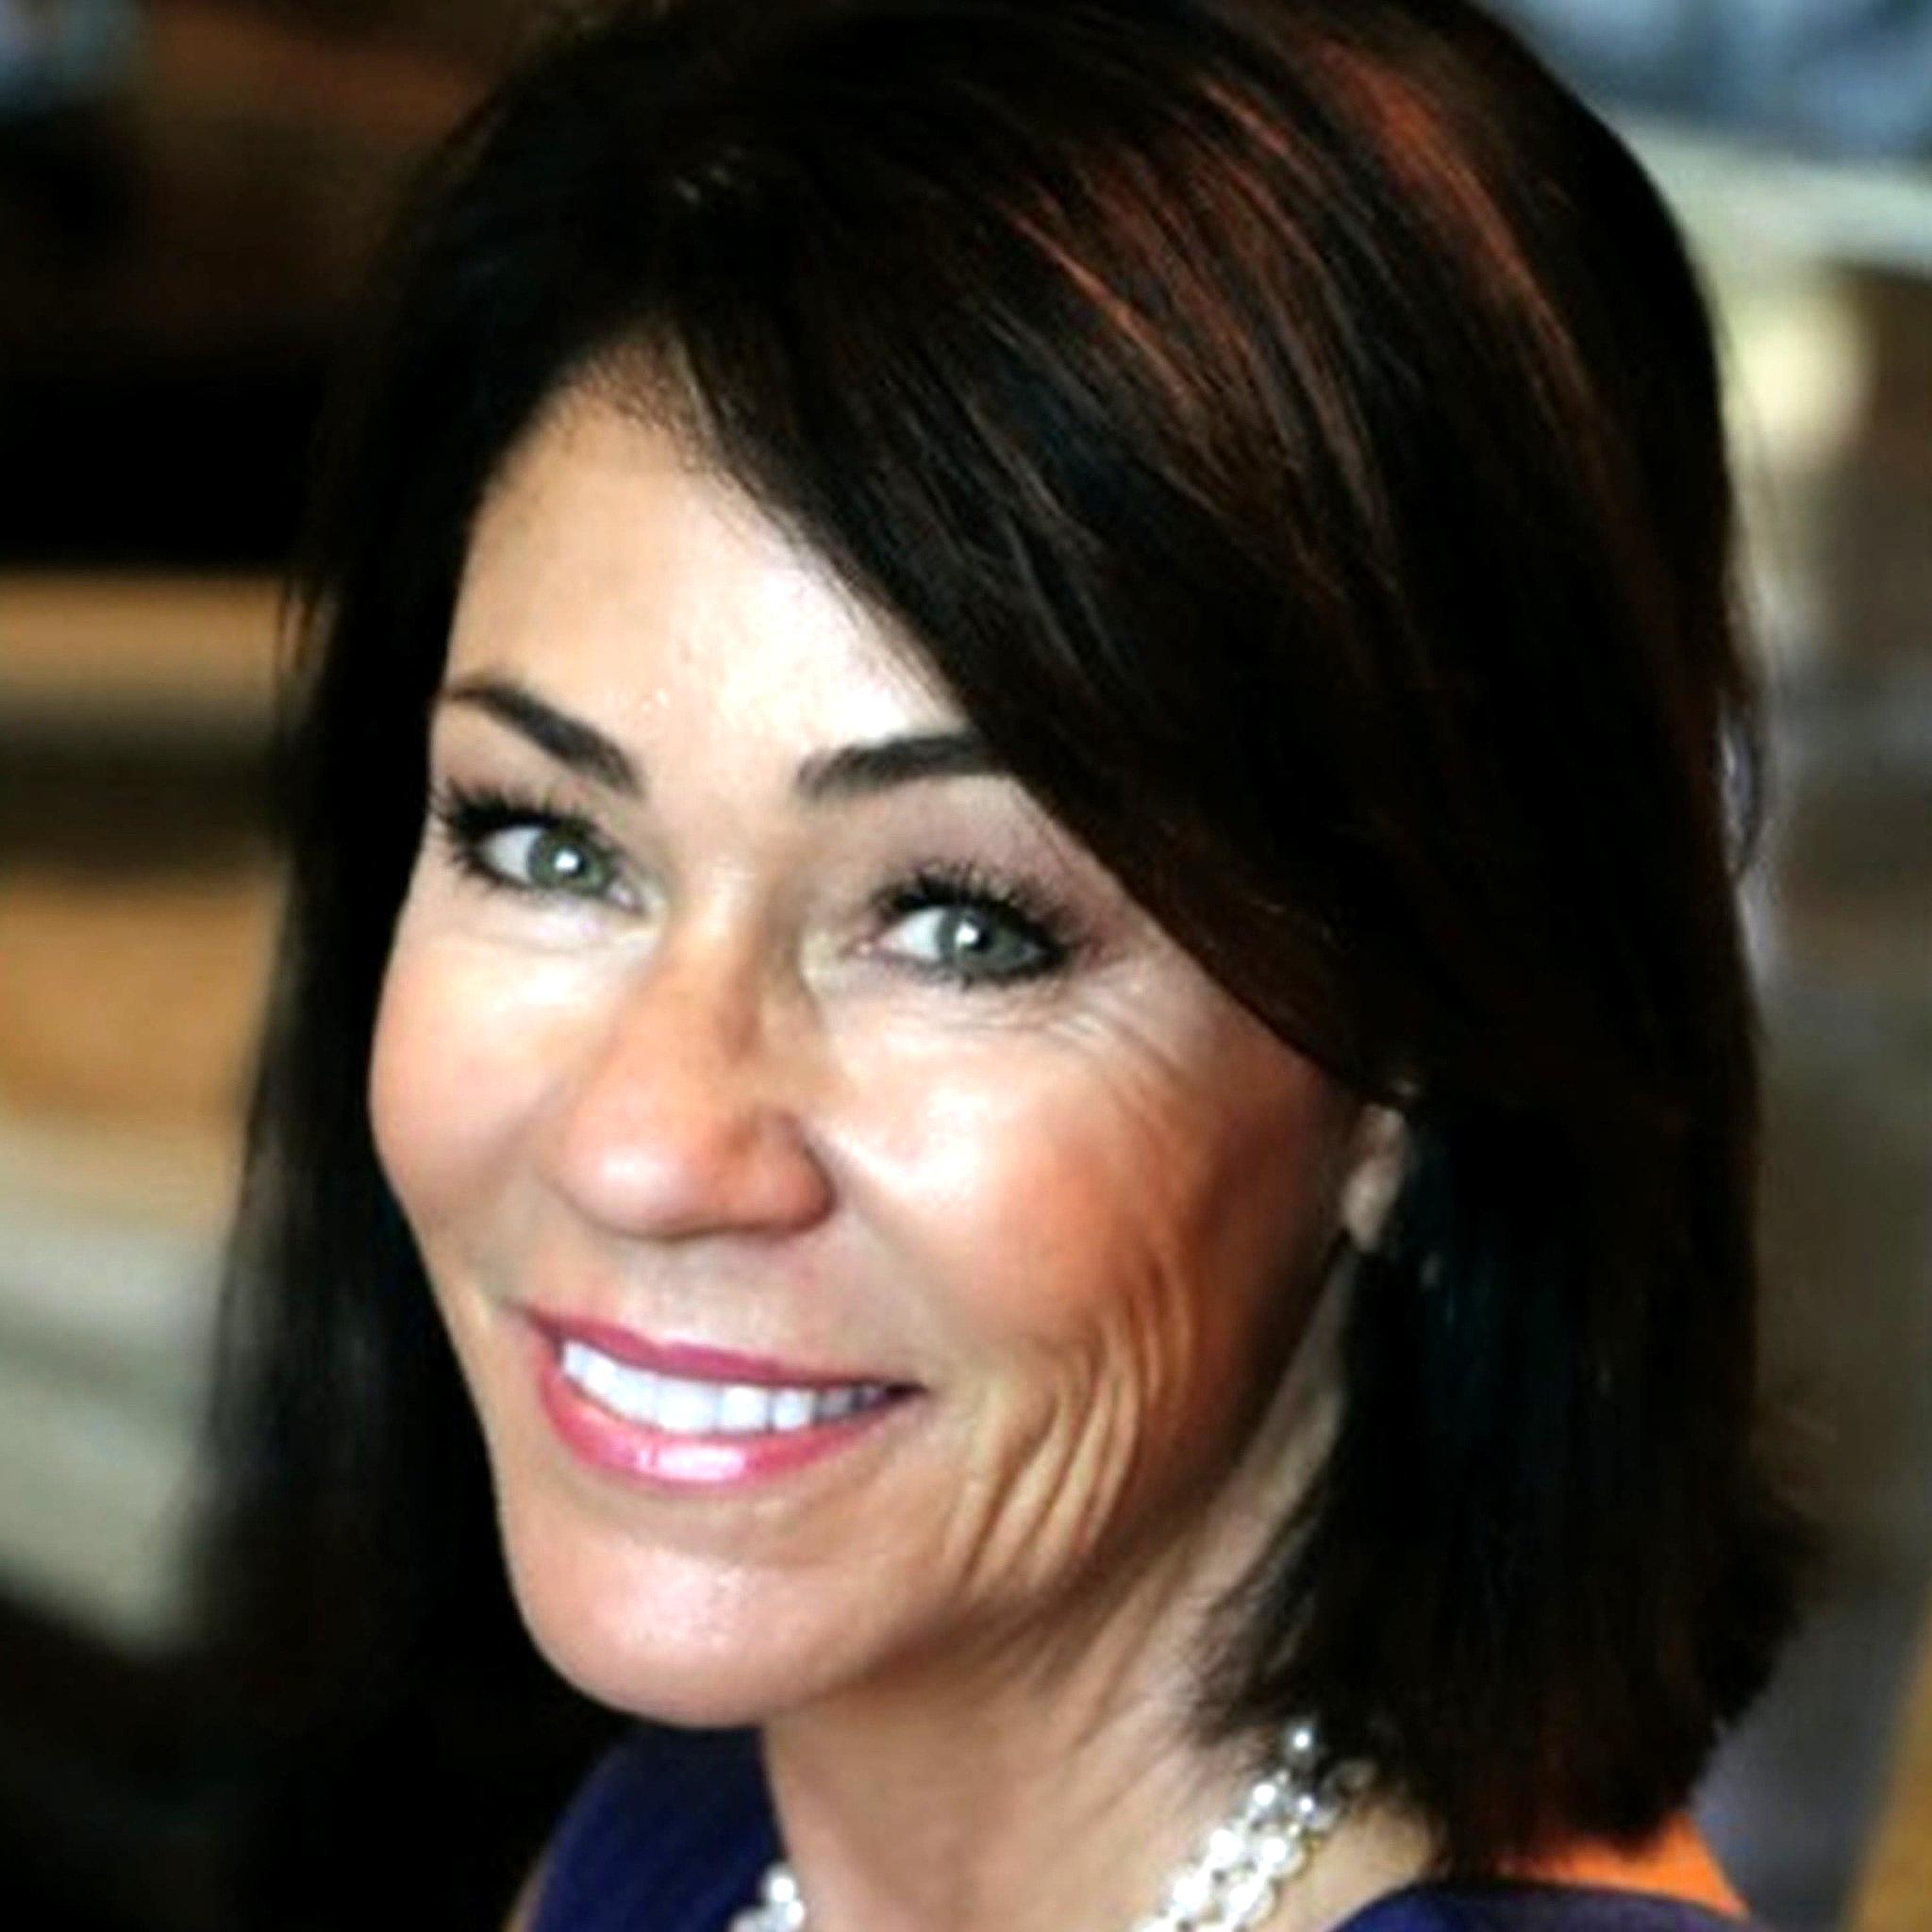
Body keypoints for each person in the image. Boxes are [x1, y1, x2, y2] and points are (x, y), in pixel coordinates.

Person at [201, 3, 1812, 1928]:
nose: (644, 1143)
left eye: (960, 924)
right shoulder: (690, 1841)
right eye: (550, 844)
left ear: (1417, 1061)